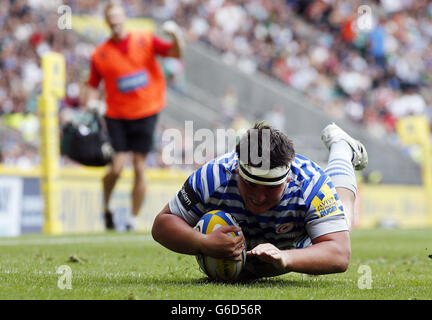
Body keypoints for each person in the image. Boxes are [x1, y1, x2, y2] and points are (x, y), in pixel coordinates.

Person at [152, 122, 368, 279]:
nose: (259, 196)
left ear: (288, 178)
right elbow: (162, 224)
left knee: (344, 221)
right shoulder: (214, 176)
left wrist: (286, 258)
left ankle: (342, 148)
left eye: (271, 188)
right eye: (251, 184)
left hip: (297, 245)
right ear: (238, 171)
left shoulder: (310, 184)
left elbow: (339, 254)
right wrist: (202, 243)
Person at [84, 2, 184, 231]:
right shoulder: (100, 54)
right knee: (117, 167)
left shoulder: (145, 38)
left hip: (146, 111)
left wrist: (177, 37)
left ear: (124, 18)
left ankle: (132, 218)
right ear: (107, 21)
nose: (116, 21)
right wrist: (91, 103)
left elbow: (174, 53)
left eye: (119, 16)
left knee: (140, 167)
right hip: (116, 114)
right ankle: (106, 207)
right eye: (112, 17)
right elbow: (91, 84)